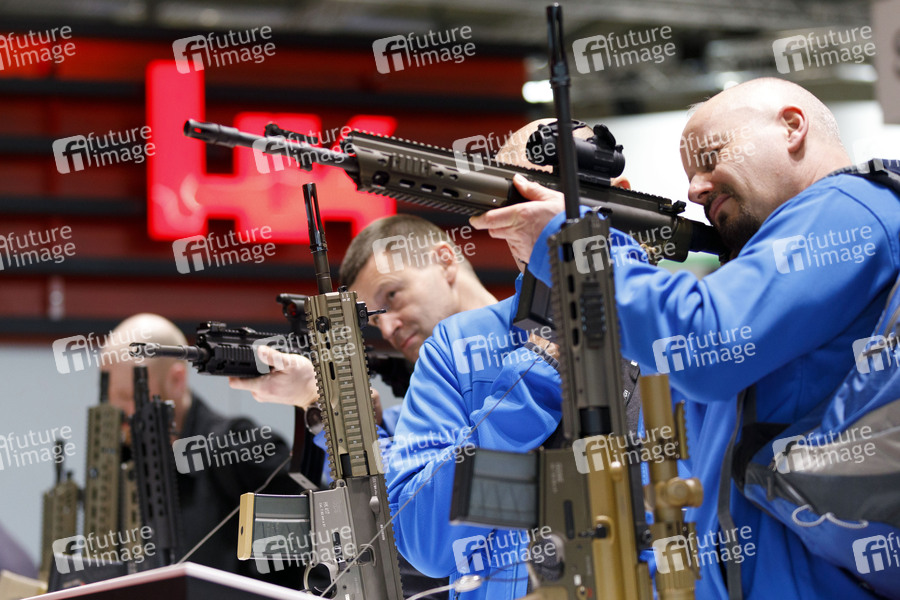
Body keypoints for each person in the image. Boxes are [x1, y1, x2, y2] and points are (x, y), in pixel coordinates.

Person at [471, 78, 900, 599]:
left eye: (710, 158)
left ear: (792, 127)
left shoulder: (850, 205)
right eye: (689, 174)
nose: (695, 189)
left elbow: (706, 347)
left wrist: (572, 247)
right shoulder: (771, 272)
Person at [102, 314, 302, 587]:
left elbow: (320, 540)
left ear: (177, 379)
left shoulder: (242, 447)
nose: (120, 415)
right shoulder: (124, 461)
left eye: (129, 397)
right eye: (113, 400)